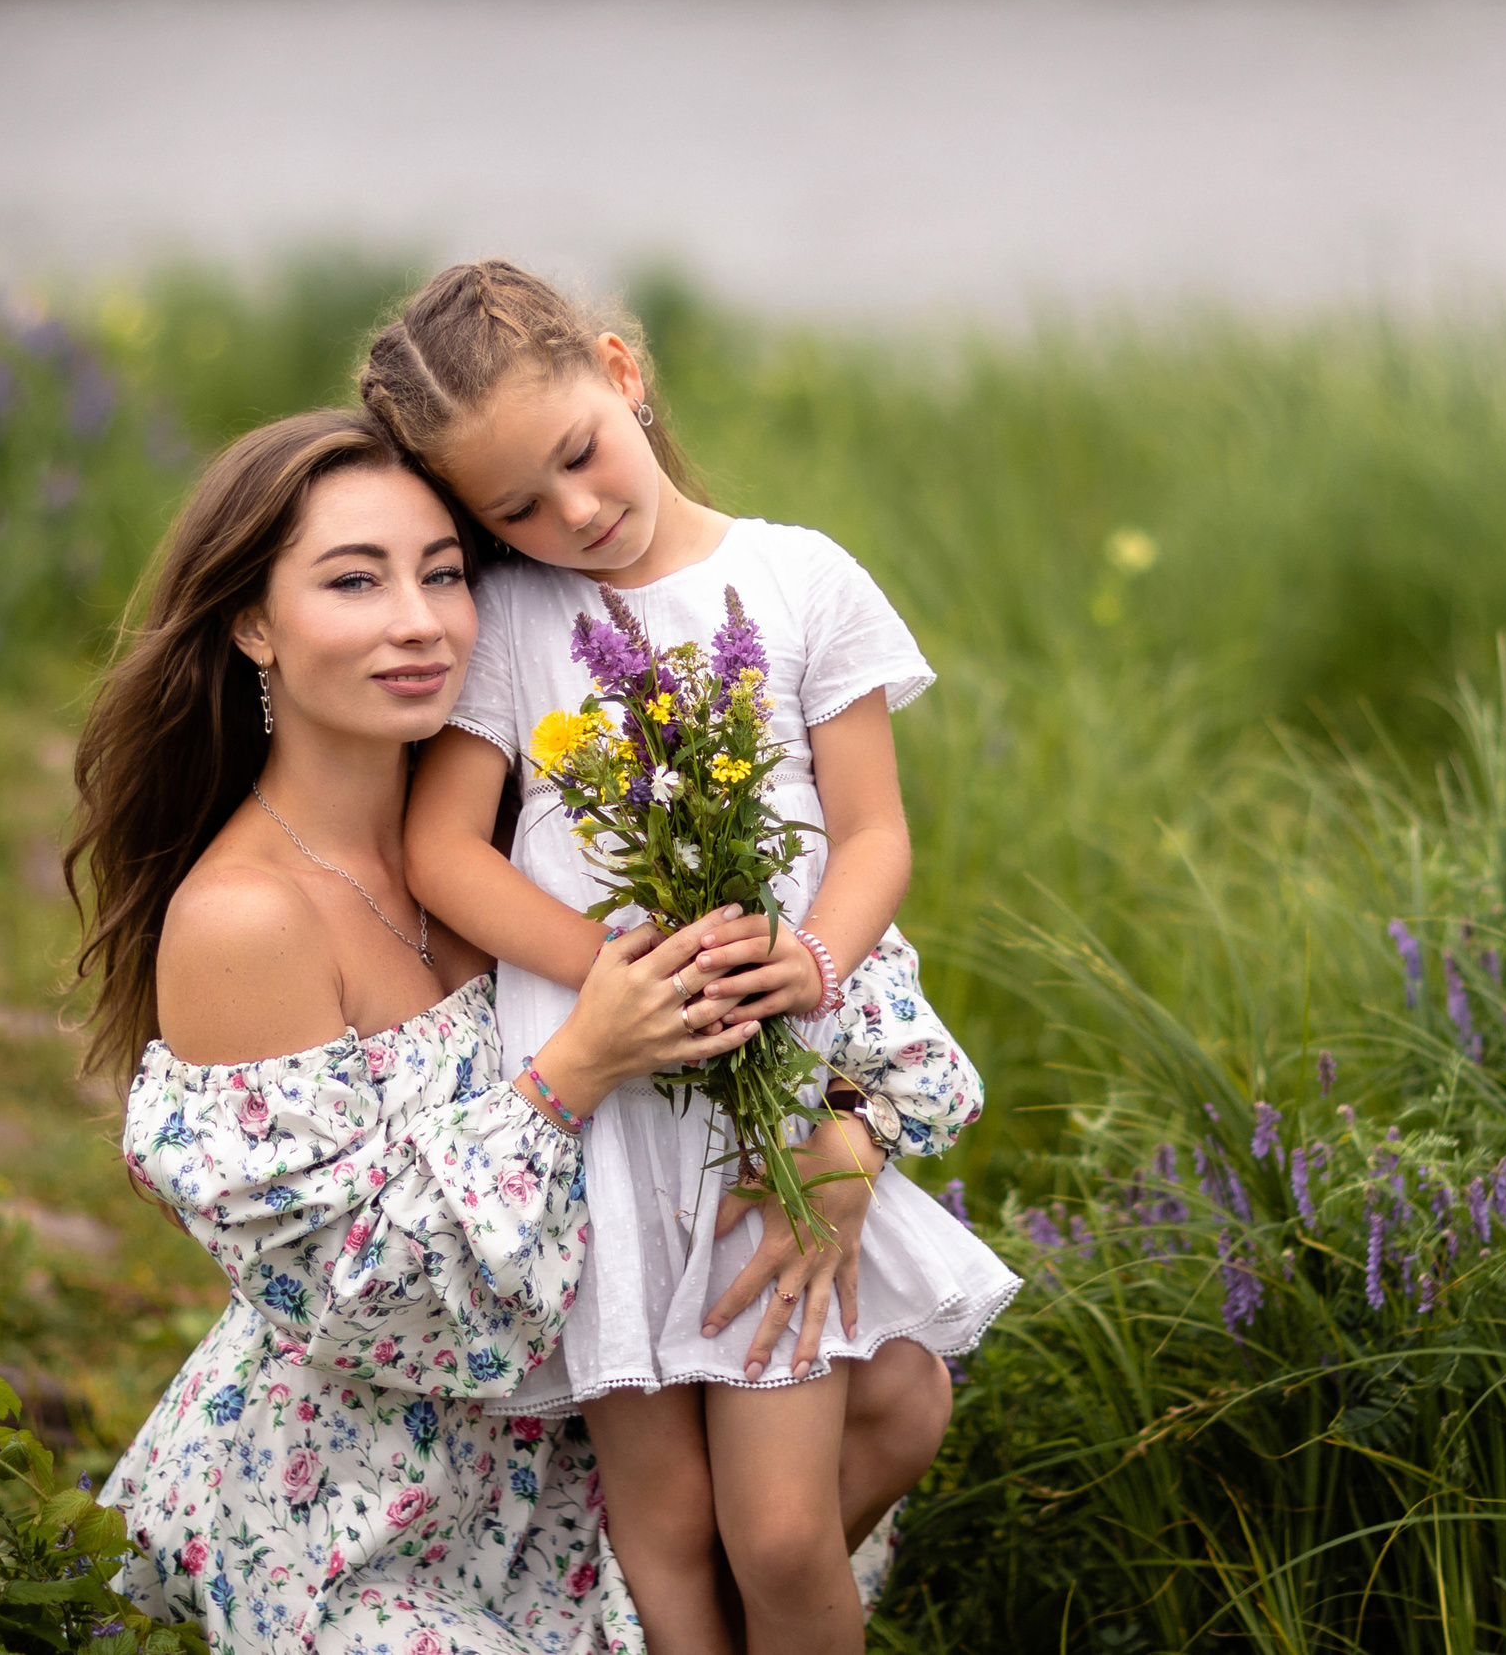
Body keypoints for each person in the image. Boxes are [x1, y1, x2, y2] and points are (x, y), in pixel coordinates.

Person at [64, 410, 932, 1655]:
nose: (419, 623)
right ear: (253, 621)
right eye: (353, 581)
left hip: (600, 1429)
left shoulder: (526, 824)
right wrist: (575, 1069)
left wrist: (849, 1130)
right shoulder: (246, 918)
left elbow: (801, 957)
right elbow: (348, 1297)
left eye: (445, 574)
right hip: (377, 1499)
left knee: (895, 1387)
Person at [361, 260, 1019, 1655]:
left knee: (778, 1533)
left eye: (579, 458)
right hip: (605, 1125)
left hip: (759, 1114)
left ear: (622, 370)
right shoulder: (520, 619)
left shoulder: (797, 578)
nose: (573, 514)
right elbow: (444, 853)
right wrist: (609, 973)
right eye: (515, 508)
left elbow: (877, 836)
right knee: (658, 1532)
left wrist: (817, 959)